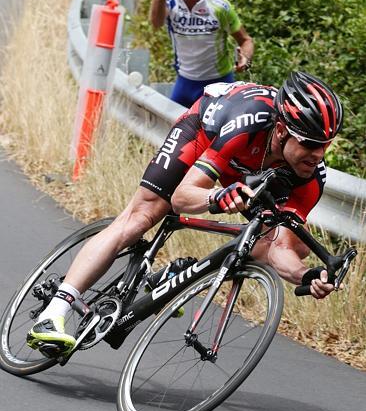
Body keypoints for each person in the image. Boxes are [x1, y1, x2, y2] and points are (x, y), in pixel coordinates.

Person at [27, 71, 343, 356]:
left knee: (272, 240)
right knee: (142, 217)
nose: (318, 154)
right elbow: (181, 197)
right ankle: (52, 314)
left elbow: (281, 248)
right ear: (281, 131)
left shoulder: (311, 176)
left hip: (252, 165)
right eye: (310, 143)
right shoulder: (248, 124)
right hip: (204, 133)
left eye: (325, 145)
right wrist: (217, 196)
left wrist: (308, 276)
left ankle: (167, 280)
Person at [149, 0, 254, 108]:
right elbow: (156, 23)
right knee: (169, 126)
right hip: (185, 82)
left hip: (219, 82)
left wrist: (245, 58)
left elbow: (246, 40)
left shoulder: (218, 5)